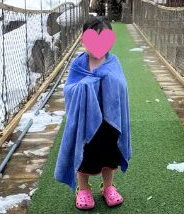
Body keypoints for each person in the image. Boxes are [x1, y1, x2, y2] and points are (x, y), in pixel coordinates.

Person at [54, 16, 132, 210]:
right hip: (86, 122)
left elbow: (121, 87)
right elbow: (69, 90)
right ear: (83, 40)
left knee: (109, 155)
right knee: (85, 154)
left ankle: (108, 187)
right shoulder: (78, 65)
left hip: (109, 122)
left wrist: (106, 79)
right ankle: (83, 188)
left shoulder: (113, 62)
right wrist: (87, 84)